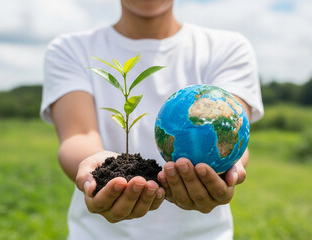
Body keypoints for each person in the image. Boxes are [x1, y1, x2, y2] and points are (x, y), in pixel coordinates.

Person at [40, 0, 264, 239]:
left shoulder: (228, 48)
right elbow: (79, 135)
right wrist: (97, 171)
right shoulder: (70, 49)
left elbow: (234, 129)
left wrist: (231, 165)